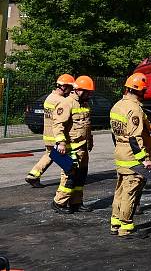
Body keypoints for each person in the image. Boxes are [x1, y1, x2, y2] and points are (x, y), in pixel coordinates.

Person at [110, 72, 151, 237]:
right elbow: (135, 138)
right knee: (130, 192)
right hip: (132, 156)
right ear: (138, 91)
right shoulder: (134, 108)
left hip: (120, 152)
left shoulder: (116, 106)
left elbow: (115, 133)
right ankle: (125, 227)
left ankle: (115, 223)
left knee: (120, 189)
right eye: (143, 91)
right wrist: (145, 159)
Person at [51, 75, 94, 214]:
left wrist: (90, 141)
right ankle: (59, 202)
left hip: (83, 148)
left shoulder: (85, 104)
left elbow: (87, 126)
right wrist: (61, 143)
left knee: (81, 176)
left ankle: (76, 202)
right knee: (69, 176)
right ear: (78, 90)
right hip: (70, 148)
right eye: (86, 92)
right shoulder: (66, 103)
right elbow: (58, 125)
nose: (88, 94)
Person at [26, 74, 74, 187]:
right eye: (70, 88)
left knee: (49, 154)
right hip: (57, 135)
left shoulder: (49, 97)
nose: (71, 90)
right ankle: (71, 177)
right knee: (65, 158)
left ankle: (33, 175)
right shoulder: (61, 101)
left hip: (48, 134)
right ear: (64, 87)